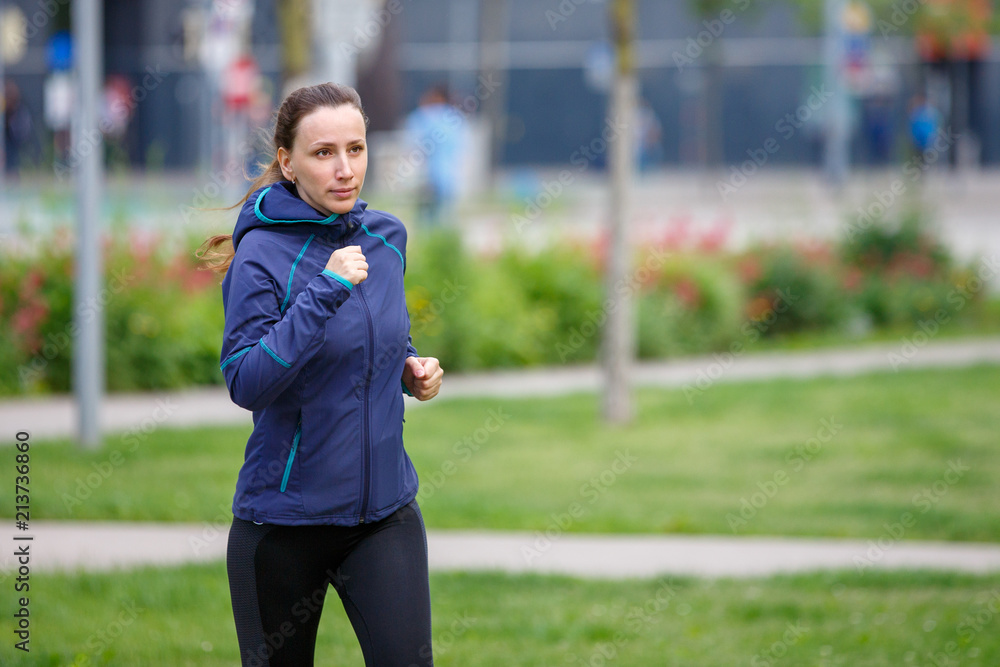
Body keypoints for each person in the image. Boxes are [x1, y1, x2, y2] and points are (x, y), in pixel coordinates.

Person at [199, 82, 443, 667]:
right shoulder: (260, 254)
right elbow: (246, 381)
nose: (345, 169)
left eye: (355, 149)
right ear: (287, 163)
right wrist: (325, 289)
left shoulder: (386, 238)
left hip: (384, 517)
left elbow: (377, 333)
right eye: (324, 153)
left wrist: (411, 368)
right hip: (282, 525)